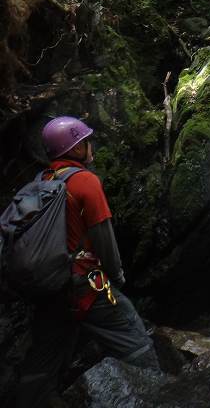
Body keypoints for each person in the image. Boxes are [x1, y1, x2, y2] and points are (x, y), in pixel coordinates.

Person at [14, 116, 159, 408]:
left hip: (47, 286)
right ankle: (155, 395)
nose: (91, 146)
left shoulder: (41, 182)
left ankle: (33, 399)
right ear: (77, 148)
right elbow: (104, 239)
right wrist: (116, 278)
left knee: (46, 352)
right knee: (133, 335)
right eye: (85, 141)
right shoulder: (85, 182)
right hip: (83, 282)